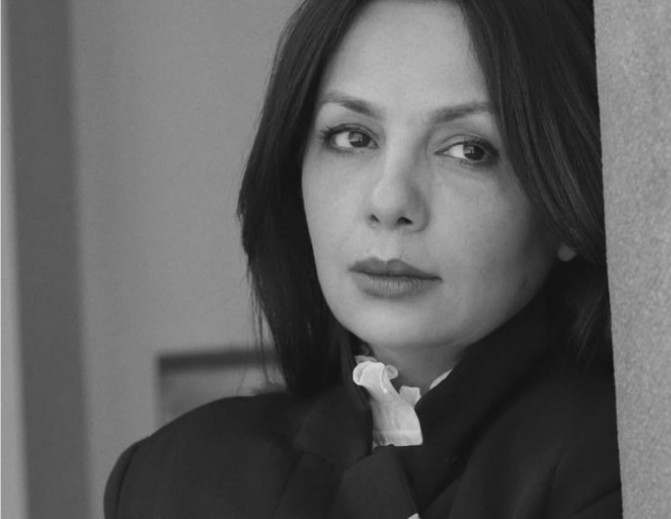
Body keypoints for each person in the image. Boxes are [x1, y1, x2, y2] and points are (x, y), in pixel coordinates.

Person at [104, 0, 621, 517]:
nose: (390, 202)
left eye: (469, 150)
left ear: (566, 201)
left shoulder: (630, 463)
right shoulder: (171, 479)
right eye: (353, 138)